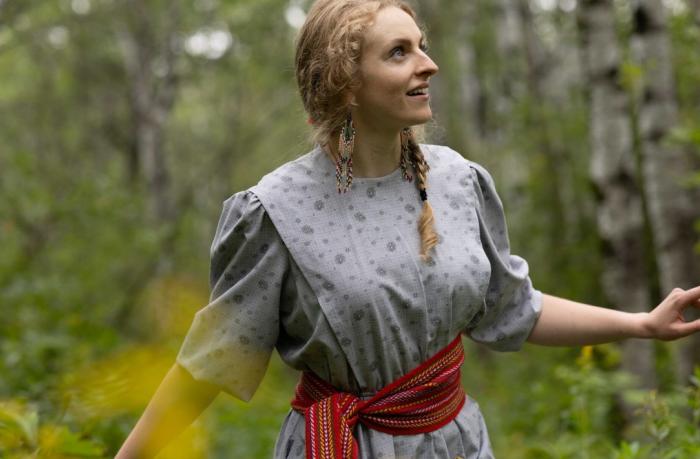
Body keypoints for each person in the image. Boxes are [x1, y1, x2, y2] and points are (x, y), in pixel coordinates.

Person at [116, 1, 700, 458]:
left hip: (458, 443)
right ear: (345, 81)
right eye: (399, 52)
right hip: (341, 448)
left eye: (421, 45)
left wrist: (642, 325)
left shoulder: (457, 180)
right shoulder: (275, 212)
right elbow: (210, 363)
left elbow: (512, 309)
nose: (428, 63)